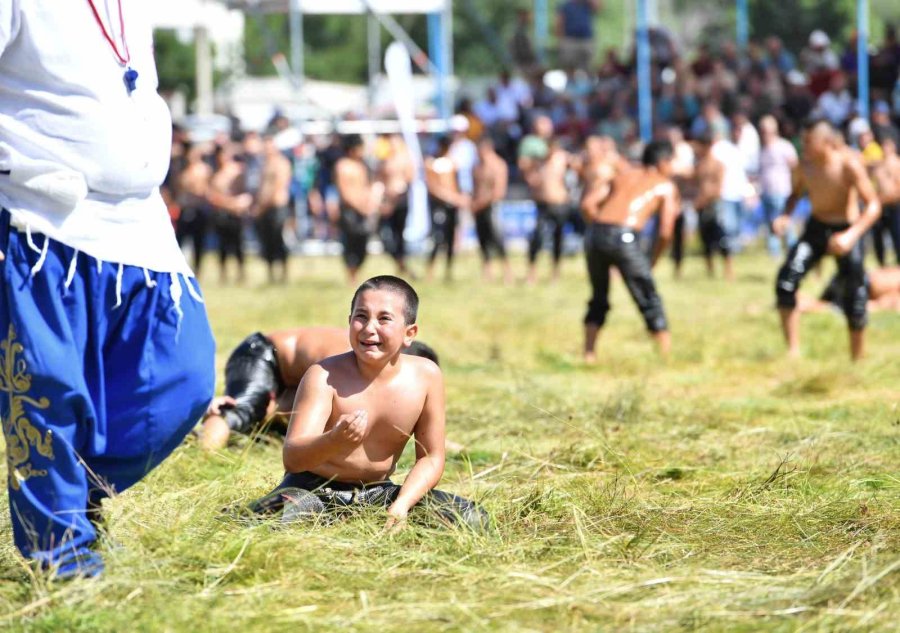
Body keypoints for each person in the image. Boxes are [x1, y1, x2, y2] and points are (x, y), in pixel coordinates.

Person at [0, 2, 215, 578]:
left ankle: (78, 497)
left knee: (182, 378)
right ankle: (62, 558)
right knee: (48, 391)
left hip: (137, 222)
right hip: (37, 217)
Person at [248, 276, 488, 532]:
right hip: (311, 488)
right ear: (349, 322)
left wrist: (403, 503)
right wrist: (333, 441)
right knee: (278, 517)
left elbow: (431, 457)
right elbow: (293, 459)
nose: (369, 328)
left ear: (410, 333)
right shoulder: (323, 375)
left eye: (384, 319)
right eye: (361, 316)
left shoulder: (426, 376)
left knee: (472, 519)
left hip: (377, 493)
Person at [200, 327, 439, 451]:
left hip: (293, 383)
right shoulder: (352, 361)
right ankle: (203, 452)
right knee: (244, 411)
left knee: (270, 422)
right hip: (263, 354)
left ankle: (259, 413)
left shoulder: (375, 362)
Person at [773, 119, 882, 360]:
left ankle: (857, 358)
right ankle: (793, 351)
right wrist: (785, 216)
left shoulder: (849, 164)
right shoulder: (805, 165)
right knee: (786, 283)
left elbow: (873, 205)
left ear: (826, 142)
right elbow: (794, 194)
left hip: (847, 228)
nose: (805, 147)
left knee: (855, 295)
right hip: (816, 228)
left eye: (809, 142)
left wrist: (851, 236)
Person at [580, 141, 678, 362]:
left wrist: (601, 230)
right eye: (672, 162)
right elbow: (665, 231)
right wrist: (652, 259)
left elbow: (587, 204)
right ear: (662, 162)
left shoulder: (621, 176)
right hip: (625, 237)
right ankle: (665, 356)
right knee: (648, 296)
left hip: (595, 234)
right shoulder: (665, 185)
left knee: (598, 295)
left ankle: (589, 352)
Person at [335, 135, 383, 285]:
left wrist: (369, 204)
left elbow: (367, 187)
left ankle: (356, 272)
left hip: (364, 210)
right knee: (350, 243)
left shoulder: (363, 166)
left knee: (363, 243)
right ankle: (351, 276)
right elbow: (345, 193)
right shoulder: (342, 166)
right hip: (350, 211)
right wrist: (360, 207)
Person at [527, 138, 573, 284]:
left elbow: (578, 167)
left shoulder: (562, 160)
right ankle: (532, 271)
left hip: (559, 203)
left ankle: (555, 272)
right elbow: (531, 177)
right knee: (537, 237)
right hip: (543, 204)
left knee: (558, 239)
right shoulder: (539, 163)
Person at [425, 137, 468, 283]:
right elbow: (433, 188)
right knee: (438, 238)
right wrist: (452, 197)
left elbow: (457, 184)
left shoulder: (452, 164)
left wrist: (458, 198)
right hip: (439, 206)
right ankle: (430, 271)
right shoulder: (432, 164)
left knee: (450, 239)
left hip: (452, 206)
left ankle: (448, 271)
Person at [209, 144, 252, 284]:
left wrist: (236, 204)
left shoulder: (237, 172)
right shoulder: (216, 175)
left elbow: (246, 195)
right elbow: (212, 197)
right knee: (223, 246)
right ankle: (224, 274)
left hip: (236, 215)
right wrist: (231, 203)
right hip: (222, 214)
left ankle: (241, 273)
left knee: (238, 245)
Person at [692, 132, 734, 279]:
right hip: (702, 208)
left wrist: (703, 198)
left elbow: (718, 188)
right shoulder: (699, 165)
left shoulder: (718, 165)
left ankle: (729, 270)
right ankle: (710, 272)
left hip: (715, 207)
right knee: (706, 242)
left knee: (722, 239)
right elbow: (695, 185)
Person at [471, 137, 511, 283]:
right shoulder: (477, 166)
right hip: (479, 207)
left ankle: (507, 270)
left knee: (497, 238)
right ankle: (487, 270)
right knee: (483, 240)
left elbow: (498, 192)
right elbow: (475, 189)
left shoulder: (498, 165)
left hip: (492, 207)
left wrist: (480, 203)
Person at [758, 115, 799, 257]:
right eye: (762, 131)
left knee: (785, 223)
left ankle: (793, 251)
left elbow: (794, 167)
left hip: (782, 192)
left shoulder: (784, 146)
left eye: (767, 131)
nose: (764, 135)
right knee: (770, 225)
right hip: (766, 192)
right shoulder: (762, 149)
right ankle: (774, 254)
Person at [253, 135, 292, 283]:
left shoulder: (281, 163)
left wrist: (262, 206)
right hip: (265, 209)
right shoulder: (265, 164)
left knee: (279, 241)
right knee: (267, 242)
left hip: (277, 207)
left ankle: (283, 275)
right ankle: (271, 275)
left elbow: (277, 187)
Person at [378, 135, 413, 276]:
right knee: (385, 235)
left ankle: (401, 263)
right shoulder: (385, 161)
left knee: (399, 234)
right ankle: (400, 262)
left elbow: (408, 180)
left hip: (400, 200)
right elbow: (381, 180)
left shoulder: (405, 160)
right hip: (388, 200)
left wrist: (393, 200)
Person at [177, 141, 213, 275]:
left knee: (198, 241)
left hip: (198, 209)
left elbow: (205, 190)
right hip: (185, 208)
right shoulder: (183, 170)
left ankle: (198, 269)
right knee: (181, 239)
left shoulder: (203, 169)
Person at [799, 266, 900, 314]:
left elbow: (884, 303)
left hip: (858, 281)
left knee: (822, 305)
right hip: (858, 281)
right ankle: (798, 302)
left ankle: (799, 301)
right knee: (822, 305)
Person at [870, 135, 900, 266]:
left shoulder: (897, 163)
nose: (885, 149)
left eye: (888, 146)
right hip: (881, 207)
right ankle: (881, 264)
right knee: (878, 237)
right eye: (884, 146)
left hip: (894, 206)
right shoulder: (879, 165)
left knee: (897, 236)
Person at [556, 0, 599, 72]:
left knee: (587, 67)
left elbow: (598, 7)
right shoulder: (565, 5)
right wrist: (561, 40)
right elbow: (559, 23)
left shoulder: (587, 4)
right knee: (568, 66)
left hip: (586, 40)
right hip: (570, 40)